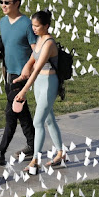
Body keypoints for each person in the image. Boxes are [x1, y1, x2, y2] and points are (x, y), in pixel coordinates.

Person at [0, 0, 36, 165]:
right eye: (1, 2)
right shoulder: (3, 22)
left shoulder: (27, 24)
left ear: (17, 3)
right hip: (8, 72)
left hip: (21, 75)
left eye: (7, 2)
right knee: (21, 111)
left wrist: (28, 70)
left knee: (11, 111)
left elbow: (36, 51)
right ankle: (32, 145)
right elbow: (7, 42)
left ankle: (1, 151)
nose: (3, 5)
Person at [14, 10, 64, 173]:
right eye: (33, 26)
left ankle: (35, 160)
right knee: (49, 119)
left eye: (37, 26)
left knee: (37, 122)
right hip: (40, 84)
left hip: (49, 83)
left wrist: (23, 91)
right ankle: (60, 152)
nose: (34, 29)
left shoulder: (49, 43)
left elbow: (38, 68)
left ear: (46, 26)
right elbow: (33, 59)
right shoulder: (39, 39)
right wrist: (25, 68)